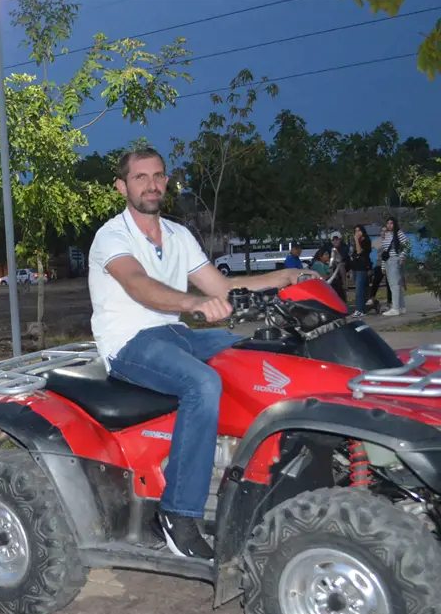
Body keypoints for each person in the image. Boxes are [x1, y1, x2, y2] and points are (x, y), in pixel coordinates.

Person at [88, 147, 309, 559]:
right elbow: (138, 284)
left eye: (158, 176)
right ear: (122, 186)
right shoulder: (112, 237)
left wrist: (285, 277)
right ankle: (177, 514)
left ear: (166, 182)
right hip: (130, 343)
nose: (151, 184)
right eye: (140, 177)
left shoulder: (178, 235)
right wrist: (192, 305)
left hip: (174, 333)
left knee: (255, 350)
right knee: (202, 383)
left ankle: (267, 469)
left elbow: (222, 287)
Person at [380, 216, 408, 316]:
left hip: (395, 260)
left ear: (395, 224)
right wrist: (383, 266)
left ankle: (395, 308)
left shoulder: (399, 233)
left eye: (391, 223)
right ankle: (401, 307)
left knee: (394, 285)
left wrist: (401, 256)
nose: (389, 225)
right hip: (387, 261)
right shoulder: (386, 235)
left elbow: (407, 245)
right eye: (387, 223)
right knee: (396, 285)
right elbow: (384, 251)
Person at [351, 225, 373, 316]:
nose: (357, 233)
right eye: (355, 231)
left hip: (362, 267)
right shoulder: (355, 242)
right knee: (359, 288)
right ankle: (362, 308)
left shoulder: (366, 241)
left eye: (359, 230)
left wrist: (356, 240)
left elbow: (359, 251)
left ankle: (359, 309)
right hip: (355, 267)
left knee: (359, 289)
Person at [327, 232, 350, 305]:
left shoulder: (344, 247)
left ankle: (344, 284)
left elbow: (341, 259)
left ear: (340, 240)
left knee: (340, 264)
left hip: (344, 269)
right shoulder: (329, 248)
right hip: (333, 272)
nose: (335, 241)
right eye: (333, 240)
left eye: (337, 239)